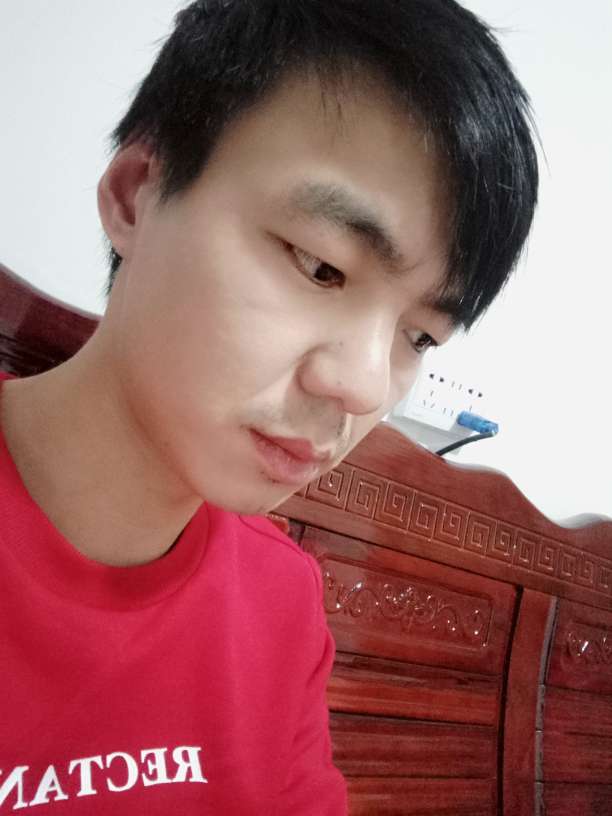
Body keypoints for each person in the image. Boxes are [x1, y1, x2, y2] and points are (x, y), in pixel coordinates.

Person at [0, 0, 538, 813]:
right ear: (136, 196)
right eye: (321, 267)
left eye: (419, 337)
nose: (365, 388)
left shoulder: (281, 601)